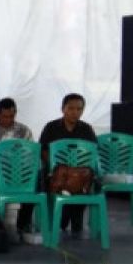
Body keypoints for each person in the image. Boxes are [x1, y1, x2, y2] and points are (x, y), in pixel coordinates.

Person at [38, 93, 98, 239]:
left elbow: (93, 153)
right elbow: (42, 150)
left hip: (79, 175)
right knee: (49, 181)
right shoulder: (51, 127)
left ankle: (74, 219)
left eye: (79, 109)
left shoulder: (86, 129)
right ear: (63, 109)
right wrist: (56, 167)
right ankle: (60, 219)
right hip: (56, 174)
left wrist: (76, 171)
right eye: (71, 108)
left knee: (88, 181)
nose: (75, 112)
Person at [0, 97, 36, 240]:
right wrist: (3, 163)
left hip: (20, 172)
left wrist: (16, 165)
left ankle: (23, 224)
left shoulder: (24, 131)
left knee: (36, 180)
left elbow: (31, 156)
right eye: (5, 116)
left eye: (12, 116)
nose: (8, 120)